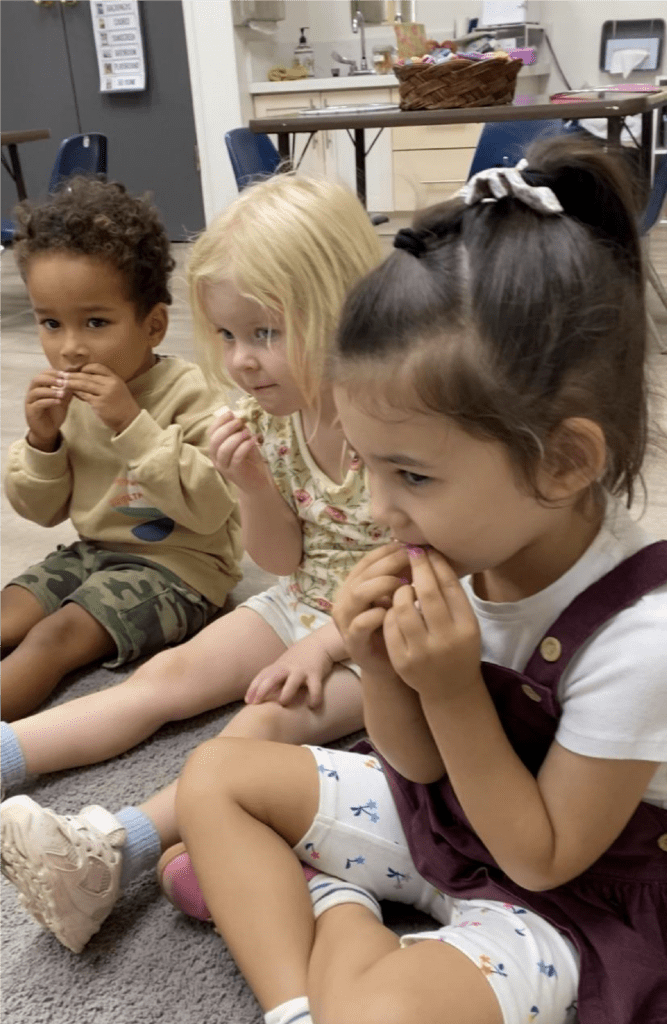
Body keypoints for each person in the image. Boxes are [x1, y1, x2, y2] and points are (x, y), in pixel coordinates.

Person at [156, 137, 665, 1024]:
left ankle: (334, 910)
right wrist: (380, 666)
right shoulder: (471, 549)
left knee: (382, 1010)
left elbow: (541, 857)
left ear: (563, 463)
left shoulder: (641, 637)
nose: (380, 509)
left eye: (411, 476)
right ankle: (301, 1001)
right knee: (215, 775)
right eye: (367, 465)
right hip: (453, 825)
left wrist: (450, 689)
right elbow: (417, 766)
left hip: (566, 900)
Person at [0, 173, 386, 954]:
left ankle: (114, 853)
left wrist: (328, 642)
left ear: (346, 311)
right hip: (304, 596)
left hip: (379, 637)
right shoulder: (267, 420)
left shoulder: (398, 418)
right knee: (165, 681)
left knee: (260, 725)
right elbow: (278, 558)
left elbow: (435, 569)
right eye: (227, 338)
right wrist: (250, 483)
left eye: (265, 335)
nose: (240, 363)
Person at [1, 176, 242, 722]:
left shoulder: (191, 392)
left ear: (153, 324)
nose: (70, 347)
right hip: (92, 550)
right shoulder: (68, 398)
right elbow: (39, 511)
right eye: (50, 324)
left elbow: (211, 507)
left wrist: (129, 422)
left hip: (180, 569)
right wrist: (42, 440)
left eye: (96, 322)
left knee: (54, 637)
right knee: (9, 615)